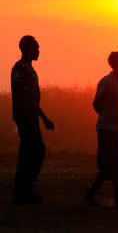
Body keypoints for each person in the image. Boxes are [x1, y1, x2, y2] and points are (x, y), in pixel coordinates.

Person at [85, 51, 118, 208]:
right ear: (114, 64)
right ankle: (93, 193)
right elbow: (96, 103)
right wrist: (107, 116)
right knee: (108, 164)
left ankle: (116, 198)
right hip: (106, 129)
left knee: (116, 163)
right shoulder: (106, 82)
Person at [11, 35, 55, 204]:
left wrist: (44, 119)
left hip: (31, 117)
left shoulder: (29, 69)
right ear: (26, 49)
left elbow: (33, 100)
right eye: (35, 48)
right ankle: (24, 189)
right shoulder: (21, 69)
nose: (38, 51)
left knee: (30, 153)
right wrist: (27, 118)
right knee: (35, 152)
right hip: (26, 118)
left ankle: (23, 189)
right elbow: (20, 97)